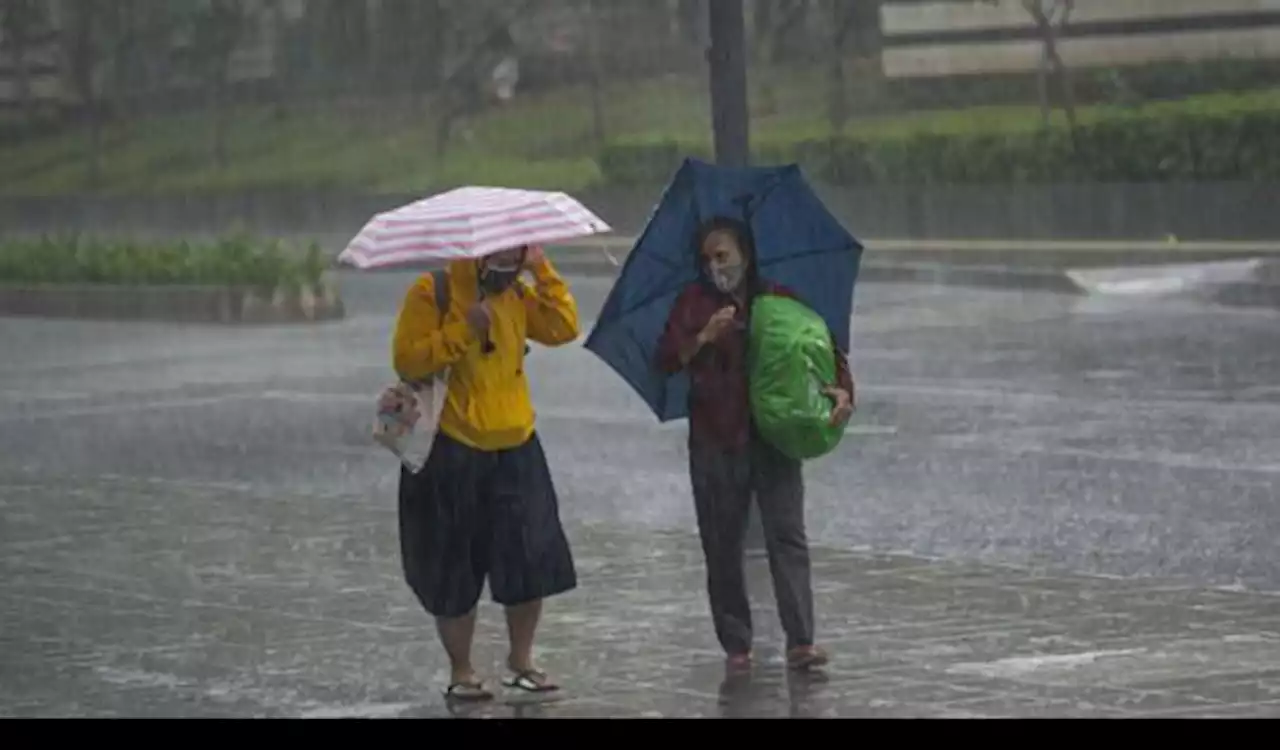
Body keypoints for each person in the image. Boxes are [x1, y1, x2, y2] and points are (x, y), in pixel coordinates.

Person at [656, 217, 856, 673]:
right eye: (706, 258)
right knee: (721, 543)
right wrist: (704, 336)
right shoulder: (693, 303)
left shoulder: (779, 299)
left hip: (774, 436)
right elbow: (665, 358)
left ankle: (801, 640)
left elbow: (822, 349)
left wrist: (843, 390)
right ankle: (736, 644)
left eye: (722, 255)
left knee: (786, 535)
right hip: (715, 438)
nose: (715, 266)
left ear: (745, 252)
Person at [391, 244, 580, 702]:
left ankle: (522, 661)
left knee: (530, 560)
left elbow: (563, 326)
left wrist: (542, 269)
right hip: (454, 449)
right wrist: (462, 330)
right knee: (453, 566)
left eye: (516, 254)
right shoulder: (430, 292)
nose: (507, 263)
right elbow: (408, 360)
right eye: (499, 255)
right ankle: (462, 670)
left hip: (517, 443)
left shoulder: (517, 293)